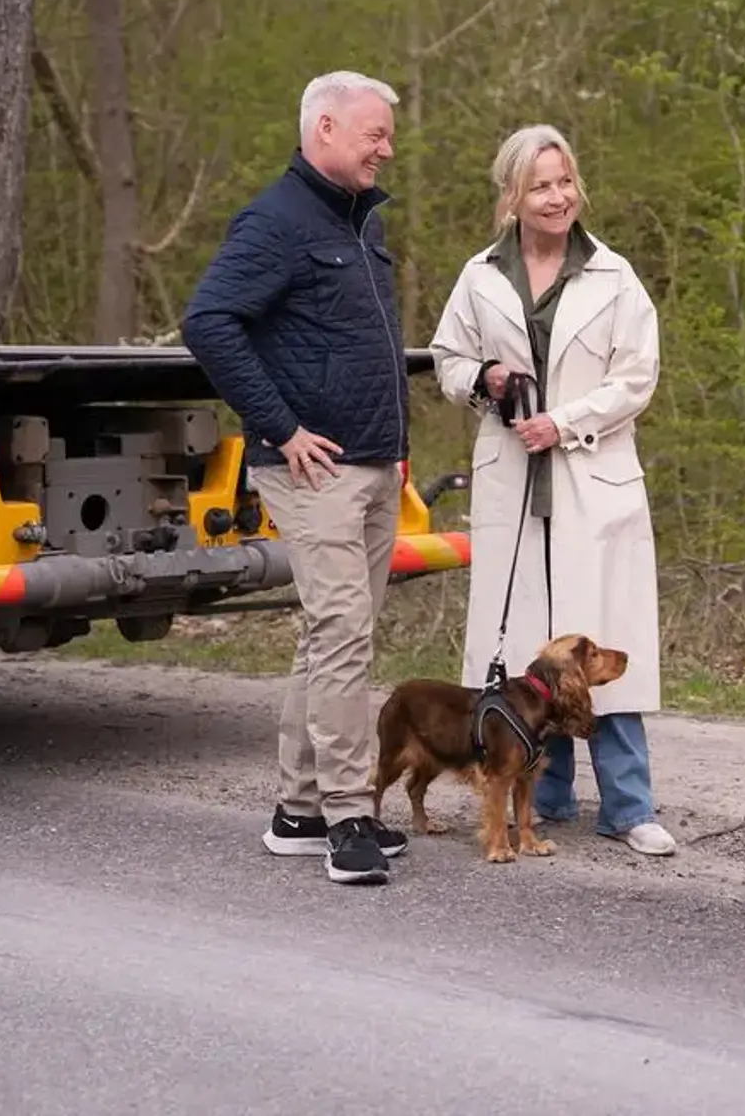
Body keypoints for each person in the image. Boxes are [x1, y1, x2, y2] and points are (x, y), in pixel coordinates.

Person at [182, 70, 414, 887]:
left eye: (387, 134)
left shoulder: (358, 226)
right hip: (313, 468)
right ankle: (351, 816)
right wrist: (279, 427)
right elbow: (208, 321)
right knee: (345, 634)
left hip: (374, 463)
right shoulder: (277, 222)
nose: (387, 147)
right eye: (373, 133)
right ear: (323, 129)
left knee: (333, 638)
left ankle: (298, 809)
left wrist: (395, 445)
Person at [428, 124, 676, 857]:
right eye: (540, 185)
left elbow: (637, 377)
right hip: (513, 485)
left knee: (602, 643)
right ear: (512, 195)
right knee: (528, 651)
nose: (558, 196)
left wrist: (562, 423)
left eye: (565, 181)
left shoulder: (614, 275)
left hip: (591, 479)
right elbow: (447, 357)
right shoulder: (479, 275)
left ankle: (629, 806)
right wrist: (485, 381)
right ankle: (550, 794)